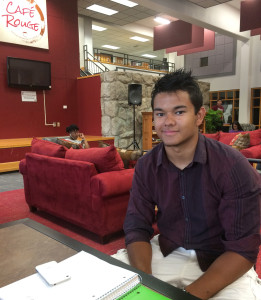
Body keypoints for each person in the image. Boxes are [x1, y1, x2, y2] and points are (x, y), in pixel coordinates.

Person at [113, 69, 261, 299]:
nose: (168, 122)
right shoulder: (146, 166)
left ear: (199, 116)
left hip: (222, 259)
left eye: (179, 112)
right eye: (160, 114)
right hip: (165, 250)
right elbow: (136, 228)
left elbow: (243, 248)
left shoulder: (233, 167)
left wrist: (187, 295)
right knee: (105, 283)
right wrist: (146, 285)